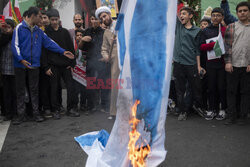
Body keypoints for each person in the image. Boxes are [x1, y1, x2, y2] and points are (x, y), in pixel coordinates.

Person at [11, 7, 75, 125]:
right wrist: (20, 60)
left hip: (34, 65)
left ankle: (36, 114)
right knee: (20, 90)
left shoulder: (39, 31)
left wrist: (63, 51)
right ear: (32, 16)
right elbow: (14, 46)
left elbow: (50, 43)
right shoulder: (19, 28)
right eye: (39, 16)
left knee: (34, 90)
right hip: (20, 65)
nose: (42, 19)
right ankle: (21, 115)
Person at [41, 9, 79, 119]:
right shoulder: (46, 33)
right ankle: (56, 110)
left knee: (71, 86)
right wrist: (46, 67)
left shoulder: (65, 32)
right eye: (52, 20)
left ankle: (71, 108)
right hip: (52, 65)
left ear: (59, 19)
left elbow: (71, 48)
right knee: (54, 88)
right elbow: (43, 52)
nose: (54, 22)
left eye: (56, 19)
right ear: (49, 19)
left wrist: (72, 63)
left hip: (66, 65)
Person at [173, 7, 207, 121]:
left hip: (191, 64)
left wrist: (198, 66)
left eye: (184, 14)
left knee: (196, 88)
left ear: (190, 16)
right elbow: (172, 10)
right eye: (180, 14)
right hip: (178, 64)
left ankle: (198, 106)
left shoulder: (197, 31)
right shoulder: (178, 27)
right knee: (180, 89)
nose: (181, 16)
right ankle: (183, 111)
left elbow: (197, 50)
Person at [224, 1, 250, 125]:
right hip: (232, 65)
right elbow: (227, 46)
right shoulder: (232, 26)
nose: (242, 13)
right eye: (240, 11)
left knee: (245, 92)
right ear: (237, 13)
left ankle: (243, 116)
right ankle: (231, 116)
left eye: (245, 10)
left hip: (247, 66)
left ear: (249, 12)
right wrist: (228, 62)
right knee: (231, 91)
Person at [79, 12, 110, 115]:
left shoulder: (104, 32)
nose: (94, 21)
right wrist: (82, 40)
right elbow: (80, 47)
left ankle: (105, 106)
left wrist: (105, 57)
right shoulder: (87, 31)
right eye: (92, 19)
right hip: (91, 61)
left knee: (104, 84)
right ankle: (92, 106)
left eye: (96, 19)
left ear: (100, 20)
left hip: (102, 62)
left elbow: (109, 47)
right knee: (91, 84)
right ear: (90, 20)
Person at [200, 8, 227, 120]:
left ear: (222, 17)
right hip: (210, 64)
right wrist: (214, 44)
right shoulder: (206, 30)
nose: (215, 17)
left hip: (223, 64)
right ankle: (211, 109)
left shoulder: (225, 29)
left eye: (218, 15)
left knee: (221, 87)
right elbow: (201, 47)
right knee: (211, 88)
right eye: (214, 15)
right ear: (211, 17)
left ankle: (223, 109)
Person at [95, 6, 120, 120]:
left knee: (130, 86)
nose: (103, 19)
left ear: (109, 15)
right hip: (114, 62)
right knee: (116, 86)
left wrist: (119, 39)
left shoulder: (121, 25)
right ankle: (114, 113)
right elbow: (104, 49)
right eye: (101, 18)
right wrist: (106, 57)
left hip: (126, 59)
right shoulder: (106, 33)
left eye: (104, 16)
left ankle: (132, 111)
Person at [0, 19, 16, 121]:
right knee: (6, 93)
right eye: (5, 28)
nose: (7, 30)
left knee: (15, 93)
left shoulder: (16, 38)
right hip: (4, 70)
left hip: (15, 70)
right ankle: (7, 113)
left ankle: (15, 113)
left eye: (9, 27)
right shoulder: (2, 38)